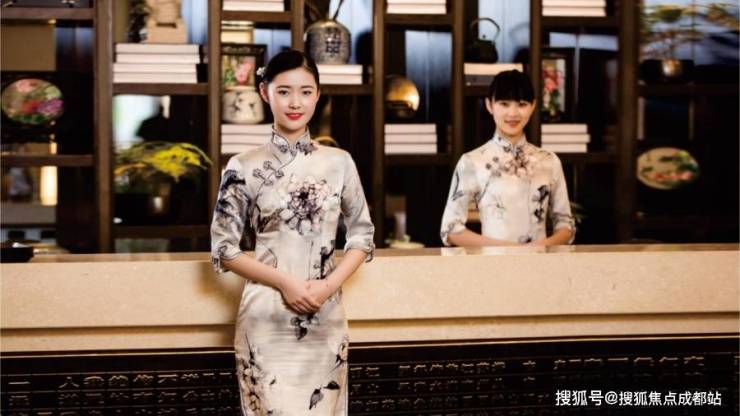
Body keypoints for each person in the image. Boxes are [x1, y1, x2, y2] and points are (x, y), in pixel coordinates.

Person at [210, 49, 375, 415]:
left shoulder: (339, 162)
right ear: (264, 92)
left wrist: (328, 286)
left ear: (318, 95)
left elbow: (362, 236)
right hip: (266, 319)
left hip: (324, 315)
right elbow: (224, 247)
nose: (295, 102)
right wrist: (285, 282)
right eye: (284, 91)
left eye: (305, 91)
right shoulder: (242, 166)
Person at [440, 70, 575, 247]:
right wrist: (507, 249)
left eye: (521, 104)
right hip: (493, 262)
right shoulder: (472, 161)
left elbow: (566, 225)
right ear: (489, 105)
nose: (512, 113)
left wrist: (540, 248)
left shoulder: (549, 161)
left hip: (540, 261)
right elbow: (450, 229)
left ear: (533, 106)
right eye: (504, 104)